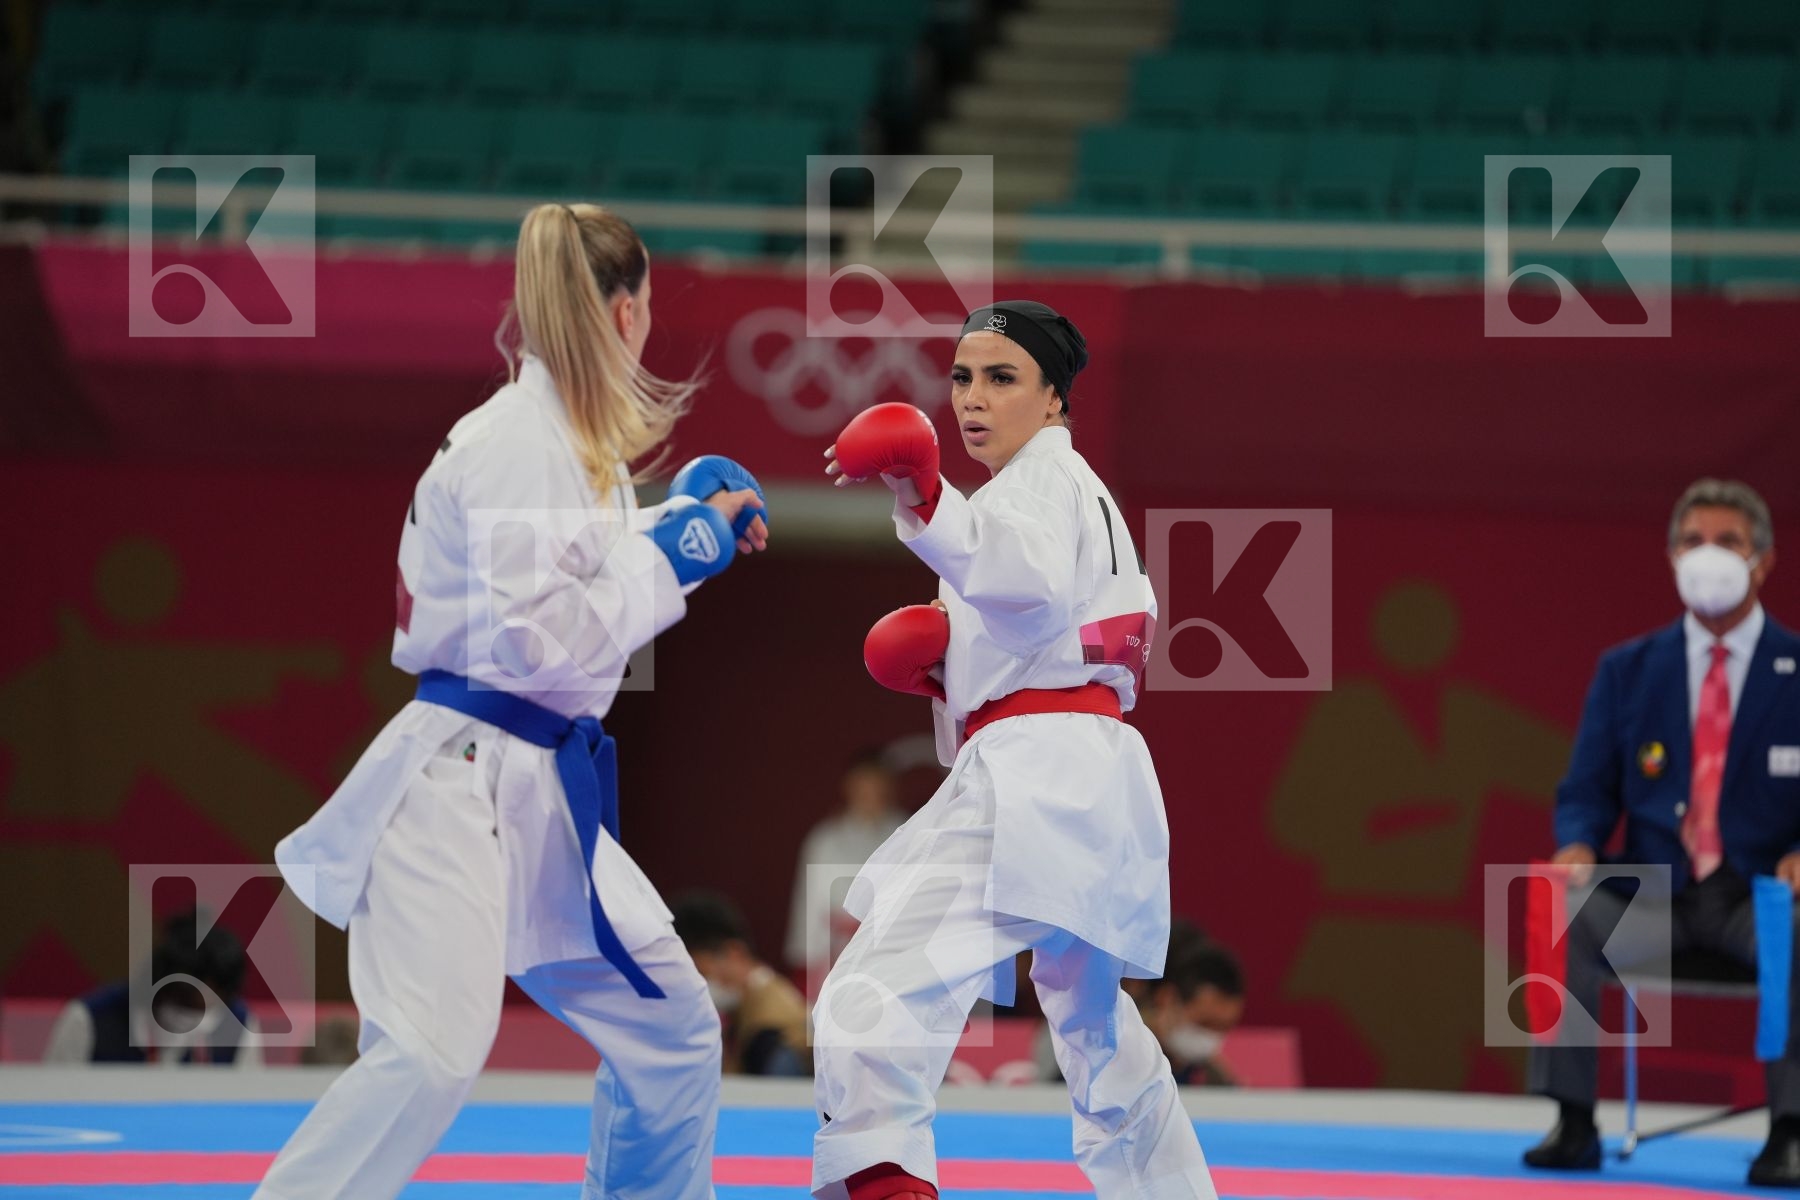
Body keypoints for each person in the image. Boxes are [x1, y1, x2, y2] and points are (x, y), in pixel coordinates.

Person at [255, 203, 770, 1200]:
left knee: (669, 1032)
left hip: (537, 785)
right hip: (460, 781)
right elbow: (542, 638)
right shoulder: (517, 441)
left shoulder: (571, 444)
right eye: (650, 305)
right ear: (624, 315)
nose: (651, 325)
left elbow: (579, 589)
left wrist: (681, 525)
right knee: (429, 1056)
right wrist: (674, 550)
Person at [814, 299, 1217, 1200]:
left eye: (1002, 378)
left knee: (870, 998)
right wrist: (946, 679)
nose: (973, 398)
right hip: (1089, 772)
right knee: (1094, 1031)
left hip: (1035, 776)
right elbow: (1061, 630)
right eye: (961, 377)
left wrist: (924, 495)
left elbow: (1028, 589)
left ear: (1055, 402)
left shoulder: (1033, 485)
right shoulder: (1074, 495)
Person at [1524, 478, 1800, 1187]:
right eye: (1693, 542)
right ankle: (1574, 1120)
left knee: (1799, 928)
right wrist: (1577, 842)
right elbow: (1585, 788)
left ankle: (1789, 1131)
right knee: (1558, 911)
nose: (1709, 558)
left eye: (1728, 543)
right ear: (1672, 556)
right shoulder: (1627, 670)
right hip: (1656, 896)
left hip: (1759, 895)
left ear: (1763, 560)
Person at [44, 908, 262, 1067]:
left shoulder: (239, 1025)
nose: (199, 1015)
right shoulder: (90, 1019)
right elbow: (53, 1106)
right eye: (189, 1003)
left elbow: (250, 1113)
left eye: (212, 1005)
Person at [785, 750, 907, 977]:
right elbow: (810, 909)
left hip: (894, 952)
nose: (870, 794)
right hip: (837, 956)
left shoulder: (908, 832)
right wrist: (808, 963)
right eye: (864, 785)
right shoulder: (825, 840)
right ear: (849, 787)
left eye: (877, 785)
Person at [673, 891, 812, 1077]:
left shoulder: (773, 1035)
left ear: (734, 953)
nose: (697, 985)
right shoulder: (747, 1014)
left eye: (701, 974)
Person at [1139, 939, 1245, 1087]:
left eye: (1223, 1027)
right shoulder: (1115, 1056)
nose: (1212, 1037)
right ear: (1167, 999)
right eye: (1206, 1023)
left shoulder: (1211, 1076)